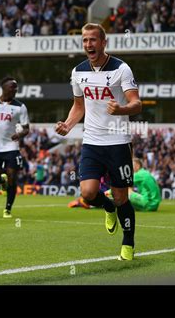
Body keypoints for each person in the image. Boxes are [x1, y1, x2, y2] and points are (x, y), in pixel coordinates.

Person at [55, 23, 142, 261]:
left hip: (118, 142)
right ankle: (108, 207)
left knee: (122, 197)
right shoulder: (78, 72)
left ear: (103, 42)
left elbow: (137, 103)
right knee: (88, 193)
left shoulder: (121, 69)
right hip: (92, 142)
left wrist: (122, 108)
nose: (88, 45)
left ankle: (128, 243)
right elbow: (79, 105)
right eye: (84, 40)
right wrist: (68, 125)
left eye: (93, 40)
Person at [0, 77, 30, 218]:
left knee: (12, 177)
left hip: (11, 147)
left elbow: (26, 129)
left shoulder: (20, 107)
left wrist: (19, 135)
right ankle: (1, 182)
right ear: (3, 88)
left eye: (16, 87)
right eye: (12, 87)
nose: (15, 90)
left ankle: (8, 208)